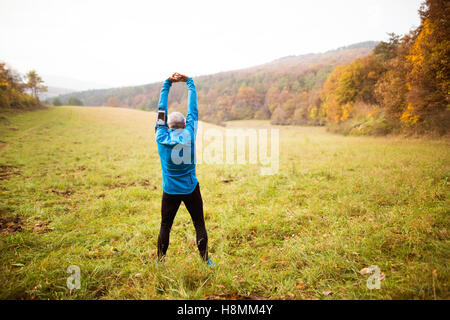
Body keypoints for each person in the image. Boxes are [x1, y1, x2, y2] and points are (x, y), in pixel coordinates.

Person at [155, 72, 215, 266]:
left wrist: (167, 84)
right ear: (184, 124)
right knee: (199, 224)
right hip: (190, 189)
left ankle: (160, 261)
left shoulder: (161, 136)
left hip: (170, 190)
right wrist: (189, 83)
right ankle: (205, 261)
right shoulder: (190, 133)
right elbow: (193, 110)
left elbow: (161, 109)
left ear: (167, 125)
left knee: (166, 226)